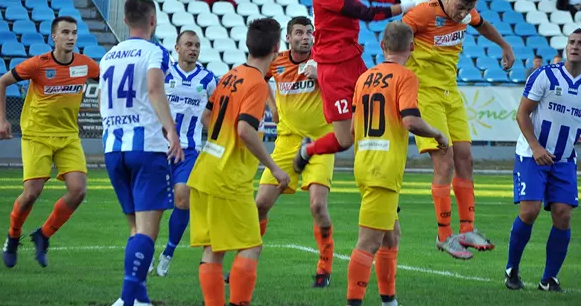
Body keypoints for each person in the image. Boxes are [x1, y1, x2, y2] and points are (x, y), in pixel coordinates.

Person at [292, 0, 438, 180]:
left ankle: (376, 171)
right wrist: (408, 6)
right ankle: (308, 149)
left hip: (352, 60)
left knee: (369, 118)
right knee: (345, 140)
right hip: (333, 70)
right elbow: (365, 12)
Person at [402, 0, 515, 259]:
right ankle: (444, 235)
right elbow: (394, 36)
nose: (464, 13)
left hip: (450, 93)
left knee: (465, 158)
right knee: (445, 160)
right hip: (425, 94)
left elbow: (483, 25)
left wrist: (505, 45)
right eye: (461, 7)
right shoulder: (424, 13)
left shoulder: (466, 14)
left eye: (469, 8)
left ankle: (467, 229)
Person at [187, 18, 290, 306]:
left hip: (205, 169)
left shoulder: (230, 75)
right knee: (251, 245)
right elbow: (245, 130)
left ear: (247, 44)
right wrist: (274, 167)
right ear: (276, 48)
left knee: (214, 248)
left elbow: (207, 116)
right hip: (228, 178)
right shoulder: (257, 83)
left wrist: (223, 139)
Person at [346, 22, 448, 306]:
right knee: (368, 242)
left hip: (364, 162)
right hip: (384, 167)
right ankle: (353, 302)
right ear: (412, 47)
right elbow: (411, 120)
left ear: (382, 46)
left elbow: (353, 129)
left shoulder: (364, 78)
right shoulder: (406, 76)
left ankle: (389, 301)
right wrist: (438, 134)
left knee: (391, 236)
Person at [0, 16, 100, 268]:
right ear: (54, 36)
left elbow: (109, 81)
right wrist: (1, 120)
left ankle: (43, 235)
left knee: (78, 191)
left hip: (68, 136)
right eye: (65, 32)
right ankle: (13, 236)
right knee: (32, 193)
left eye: (74, 32)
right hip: (37, 135)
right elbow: (2, 82)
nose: (70, 37)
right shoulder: (37, 64)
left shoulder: (85, 65)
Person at [102, 0, 183, 306]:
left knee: (135, 229)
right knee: (147, 231)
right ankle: (126, 300)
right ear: (153, 21)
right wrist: (171, 130)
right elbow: (154, 88)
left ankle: (140, 297)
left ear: (125, 20)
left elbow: (103, 101)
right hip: (146, 148)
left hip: (114, 149)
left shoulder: (109, 56)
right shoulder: (155, 52)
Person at [504, 29, 581, 292]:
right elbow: (522, 114)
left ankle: (549, 279)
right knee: (530, 211)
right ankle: (512, 269)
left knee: (563, 215)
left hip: (565, 159)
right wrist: (535, 147)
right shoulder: (544, 75)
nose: (575, 46)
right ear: (566, 47)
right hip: (531, 154)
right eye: (571, 42)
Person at [254, 17, 336, 288]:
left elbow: (344, 91)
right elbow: (259, 78)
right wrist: (272, 106)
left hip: (321, 142)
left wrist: (321, 77)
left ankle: (324, 267)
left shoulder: (323, 60)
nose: (305, 37)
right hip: (287, 142)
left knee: (317, 206)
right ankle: (247, 262)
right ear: (288, 38)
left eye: (309, 32)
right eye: (299, 33)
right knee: (260, 205)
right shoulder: (276, 61)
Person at [154, 30, 217, 277]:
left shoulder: (208, 79)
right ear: (177, 48)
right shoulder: (164, 74)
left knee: (183, 198)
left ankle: (168, 253)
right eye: (189, 44)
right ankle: (146, 251)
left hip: (189, 150)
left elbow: (216, 112)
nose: (193, 49)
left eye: (197, 45)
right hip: (159, 148)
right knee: (153, 204)